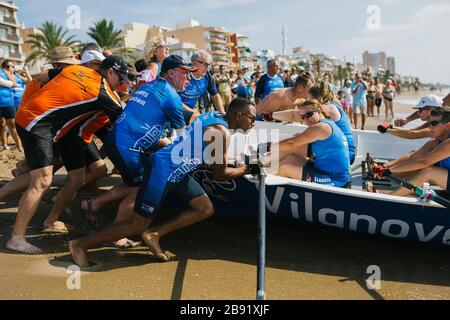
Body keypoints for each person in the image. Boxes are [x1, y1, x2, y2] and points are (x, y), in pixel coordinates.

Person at [69, 98, 256, 267]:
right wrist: (247, 169)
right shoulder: (221, 132)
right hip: (163, 170)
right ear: (239, 115)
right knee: (137, 224)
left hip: (177, 171)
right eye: (252, 118)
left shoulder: (214, 115)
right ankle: (80, 245)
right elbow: (220, 174)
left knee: (204, 208)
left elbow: (201, 151)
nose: (254, 123)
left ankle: (154, 235)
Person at [5, 55, 127, 254]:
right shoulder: (103, 91)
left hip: (35, 119)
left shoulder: (76, 70)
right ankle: (16, 238)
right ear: (110, 72)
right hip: (37, 124)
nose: (122, 84)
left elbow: (41, 77)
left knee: (72, 177)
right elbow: (125, 124)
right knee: (42, 181)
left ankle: (49, 220)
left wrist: (38, 101)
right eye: (121, 79)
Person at [263, 100, 350, 187]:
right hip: (323, 170)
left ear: (319, 111)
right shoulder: (327, 123)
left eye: (309, 115)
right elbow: (295, 140)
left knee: (286, 169)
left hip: (335, 179)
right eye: (303, 117)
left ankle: (264, 188)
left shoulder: (321, 127)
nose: (306, 120)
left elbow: (291, 143)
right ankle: (262, 165)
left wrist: (269, 146)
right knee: (291, 158)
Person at [265, 82, 356, 165]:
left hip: (346, 154)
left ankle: (264, 164)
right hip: (340, 150)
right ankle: (269, 160)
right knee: (297, 137)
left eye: (311, 99)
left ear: (319, 98)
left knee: (293, 146)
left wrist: (270, 115)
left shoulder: (328, 108)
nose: (309, 102)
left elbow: (293, 115)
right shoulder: (333, 106)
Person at [373, 107, 450, 197]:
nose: (429, 127)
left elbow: (423, 162)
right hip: (445, 176)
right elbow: (414, 157)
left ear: (448, 126)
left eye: (434, 123)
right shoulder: (436, 141)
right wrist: (385, 167)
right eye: (429, 123)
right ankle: (382, 179)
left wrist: (390, 170)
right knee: (416, 164)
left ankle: (388, 198)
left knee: (428, 171)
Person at [378, 95, 442, 139]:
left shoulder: (437, 125)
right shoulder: (430, 123)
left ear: (431, 110)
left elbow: (413, 134)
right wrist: (391, 127)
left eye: (420, 110)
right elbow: (412, 130)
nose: (418, 112)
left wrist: (387, 130)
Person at [0, 60, 23, 152]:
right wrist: (9, 83)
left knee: (12, 125)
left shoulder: (7, 74)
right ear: (3, 67)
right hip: (5, 102)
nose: (10, 68)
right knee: (1, 125)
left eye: (12, 66)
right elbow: (9, 84)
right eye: (8, 67)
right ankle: (5, 144)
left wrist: (9, 76)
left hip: (8, 102)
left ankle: (20, 148)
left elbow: (15, 84)